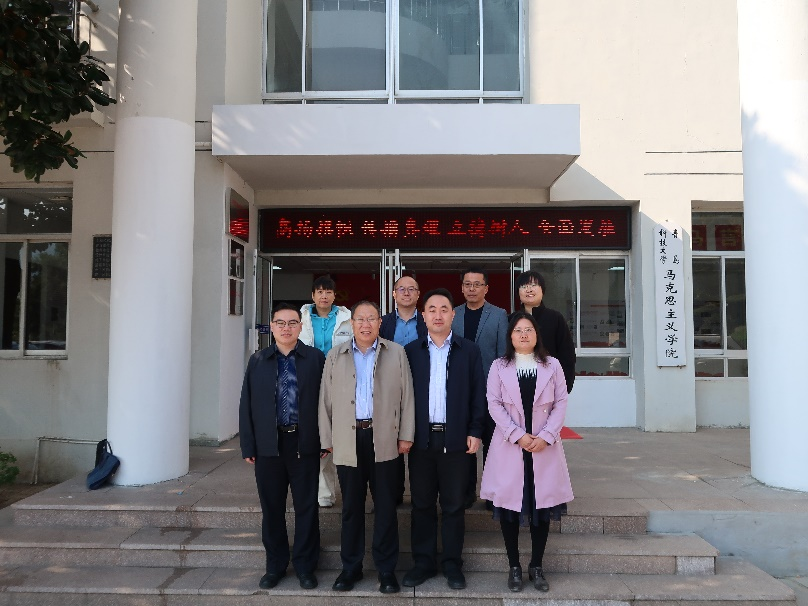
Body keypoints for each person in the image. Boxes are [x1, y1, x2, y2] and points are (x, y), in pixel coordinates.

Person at [319, 301, 415, 594]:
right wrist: (326, 440)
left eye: (371, 318)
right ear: (352, 324)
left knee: (385, 506)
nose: (365, 324)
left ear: (379, 323)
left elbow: (407, 397)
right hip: (348, 439)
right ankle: (351, 568)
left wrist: (406, 435)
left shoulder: (396, 353)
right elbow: (325, 400)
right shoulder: (335, 355)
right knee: (351, 507)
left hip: (384, 438)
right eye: (360, 319)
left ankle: (386, 570)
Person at [480, 311, 573, 593]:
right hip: (511, 445)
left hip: (544, 447)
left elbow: (561, 402)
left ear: (536, 335)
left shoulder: (552, 365)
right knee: (509, 509)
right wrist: (517, 435)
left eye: (528, 330)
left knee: (542, 508)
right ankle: (514, 567)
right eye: (518, 330)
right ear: (510, 336)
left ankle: (536, 565)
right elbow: (493, 403)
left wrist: (546, 436)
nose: (523, 334)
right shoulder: (499, 366)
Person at [239, 302, 326, 590]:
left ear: (301, 327)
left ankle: (305, 566)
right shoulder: (258, 360)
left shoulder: (315, 358)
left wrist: (326, 439)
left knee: (306, 507)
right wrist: (249, 444)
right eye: (280, 323)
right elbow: (246, 404)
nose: (286, 328)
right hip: (269, 445)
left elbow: (327, 403)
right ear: (272, 327)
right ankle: (275, 566)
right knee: (272, 508)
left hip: (304, 442)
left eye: (292, 323)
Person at [403, 288, 486, 590]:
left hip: (456, 440)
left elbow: (478, 393)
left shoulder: (469, 350)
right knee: (422, 505)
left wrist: (475, 430)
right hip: (421, 441)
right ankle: (423, 563)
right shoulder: (410, 352)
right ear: (423, 316)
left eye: (444, 309)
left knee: (453, 506)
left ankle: (452, 564)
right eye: (432, 309)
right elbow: (402, 397)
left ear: (453, 314)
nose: (438, 315)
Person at [451, 267, 508, 508]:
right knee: (464, 446)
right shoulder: (453, 314)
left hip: (491, 392)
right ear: (462, 288)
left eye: (477, 284)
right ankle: (465, 494)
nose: (472, 289)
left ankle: (493, 495)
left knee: (493, 445)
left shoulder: (499, 315)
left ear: (486, 288)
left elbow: (503, 355)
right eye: (467, 284)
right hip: (461, 392)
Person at [299, 275, 352, 508]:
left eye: (328, 291)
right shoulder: (301, 319)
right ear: (312, 295)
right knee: (315, 436)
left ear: (334, 295)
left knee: (335, 436)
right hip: (309, 382)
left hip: (339, 382)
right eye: (319, 291)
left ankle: (333, 492)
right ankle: (322, 493)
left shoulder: (347, 319)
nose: (324, 296)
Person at [379, 274, 426, 505]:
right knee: (390, 442)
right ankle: (394, 494)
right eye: (401, 289)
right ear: (393, 294)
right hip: (390, 389)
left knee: (419, 441)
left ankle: (421, 495)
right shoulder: (383, 322)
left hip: (421, 387)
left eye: (411, 289)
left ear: (418, 294)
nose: (406, 293)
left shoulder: (427, 320)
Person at [516, 270, 576, 393]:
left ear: (542, 290)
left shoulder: (555, 318)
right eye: (524, 286)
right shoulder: (512, 319)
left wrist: (564, 387)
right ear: (518, 292)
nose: (529, 290)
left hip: (549, 386)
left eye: (533, 285)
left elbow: (567, 355)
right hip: (517, 386)